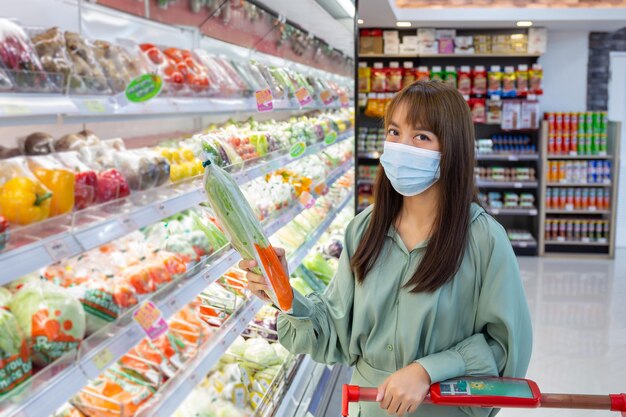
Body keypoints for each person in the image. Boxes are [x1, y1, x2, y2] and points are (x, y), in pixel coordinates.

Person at [239, 80, 533, 417]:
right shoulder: (364, 230)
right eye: (394, 132)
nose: (401, 147)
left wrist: (428, 370)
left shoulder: (483, 239)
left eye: (421, 136)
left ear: (451, 149)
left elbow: (506, 351)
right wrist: (287, 297)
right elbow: (337, 332)